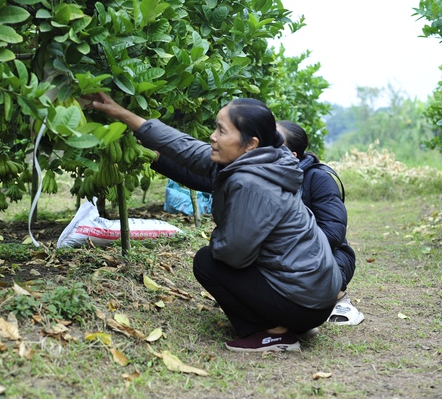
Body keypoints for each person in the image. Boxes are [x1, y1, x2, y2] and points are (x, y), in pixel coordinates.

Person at [85, 92, 342, 352]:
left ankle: (275, 334)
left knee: (208, 262)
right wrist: (123, 115)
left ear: (250, 143)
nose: (212, 136)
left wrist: (218, 237)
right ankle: (288, 321)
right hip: (315, 294)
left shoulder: (252, 184)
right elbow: (184, 147)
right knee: (219, 258)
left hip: (305, 302)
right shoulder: (262, 160)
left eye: (222, 130)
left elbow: (233, 254)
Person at [276, 121, 364, 325]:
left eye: (274, 141)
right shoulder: (261, 178)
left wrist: (289, 249)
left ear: (292, 155)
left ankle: (339, 297)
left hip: (329, 257)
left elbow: (333, 232)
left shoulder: (317, 178)